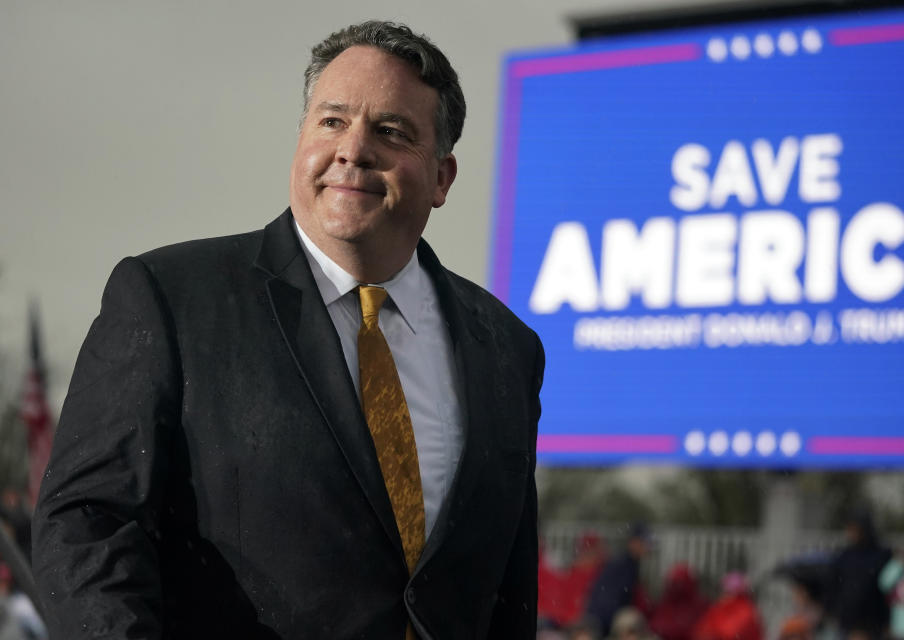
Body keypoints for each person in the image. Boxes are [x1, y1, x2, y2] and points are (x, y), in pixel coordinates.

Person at [31, 20, 544, 640]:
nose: (353, 149)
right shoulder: (170, 299)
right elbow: (89, 523)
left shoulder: (507, 348)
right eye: (331, 121)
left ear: (442, 178)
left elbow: (508, 588)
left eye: (391, 131)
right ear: (300, 139)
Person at [824, 508, 891, 640]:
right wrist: (833, 612)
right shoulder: (844, 556)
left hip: (874, 624)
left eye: (855, 529)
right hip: (848, 624)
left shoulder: (881, 556)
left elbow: (887, 590)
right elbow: (833, 586)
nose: (851, 533)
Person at [585, 522, 653, 637]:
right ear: (633, 542)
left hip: (603, 618)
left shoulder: (629, 563)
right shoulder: (623, 565)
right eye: (644, 542)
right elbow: (609, 599)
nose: (647, 547)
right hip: (604, 620)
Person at [692, 572, 763, 640]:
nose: (724, 595)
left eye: (726, 592)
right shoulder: (721, 607)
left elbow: (731, 631)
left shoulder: (743, 609)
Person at [647, 563, 708, 640]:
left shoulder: (699, 606)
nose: (677, 586)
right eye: (674, 582)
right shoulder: (665, 603)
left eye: (679, 582)